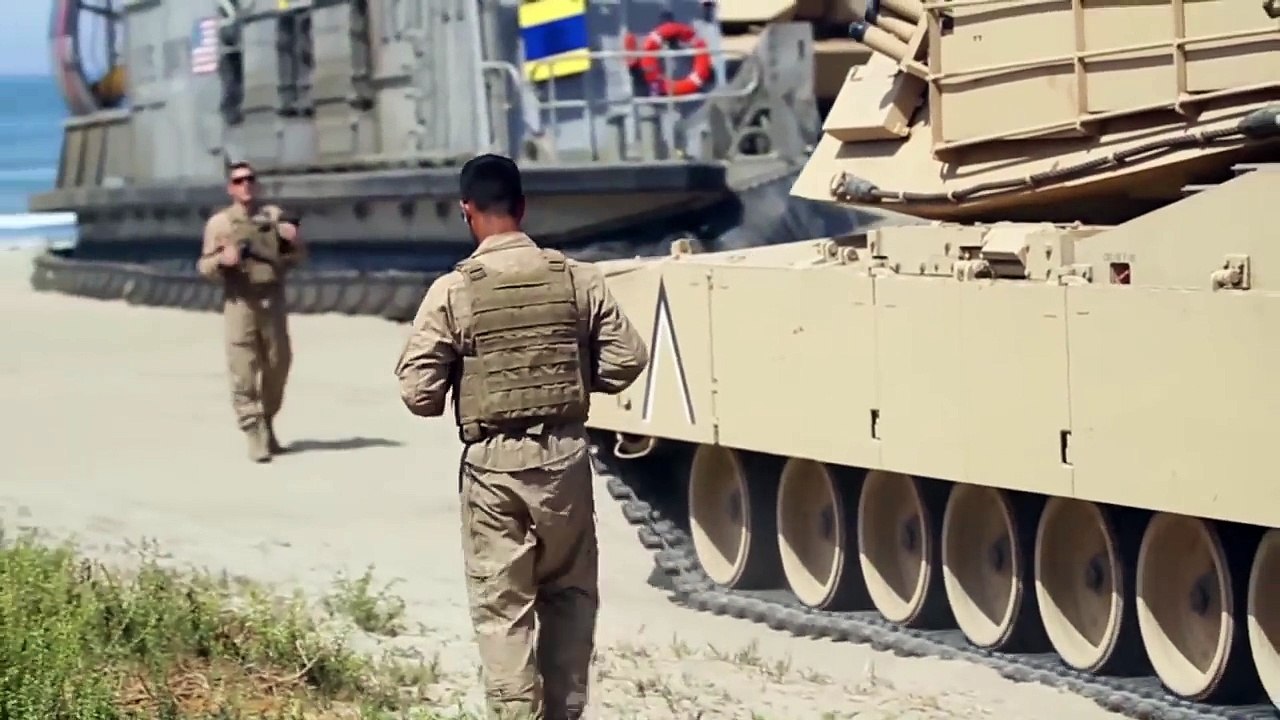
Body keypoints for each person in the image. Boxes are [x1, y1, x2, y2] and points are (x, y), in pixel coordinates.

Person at [394, 153, 649, 719]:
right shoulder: (577, 278)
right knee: (570, 598)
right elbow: (630, 357)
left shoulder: (454, 291)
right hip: (565, 459)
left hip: (493, 469)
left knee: (503, 611)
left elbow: (418, 394)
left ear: (467, 212)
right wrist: (575, 381)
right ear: (523, 207)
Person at [197, 161, 307, 463]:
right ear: (230, 188)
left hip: (273, 301)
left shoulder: (272, 217)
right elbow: (204, 267)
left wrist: (292, 241)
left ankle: (268, 419)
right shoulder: (220, 224)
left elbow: (297, 257)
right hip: (240, 303)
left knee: (278, 363)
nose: (245, 185)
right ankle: (253, 430)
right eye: (239, 180)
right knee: (243, 369)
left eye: (250, 179)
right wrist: (224, 259)